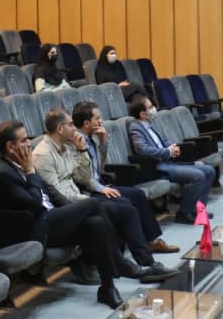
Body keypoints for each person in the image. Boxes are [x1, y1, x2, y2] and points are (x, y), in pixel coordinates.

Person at [0, 120, 142, 309]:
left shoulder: (21, 162)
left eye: (28, 139)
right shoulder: (2, 174)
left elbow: (50, 191)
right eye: (24, 140)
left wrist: (72, 210)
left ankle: (107, 288)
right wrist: (30, 172)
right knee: (93, 203)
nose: (29, 143)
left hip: (51, 219)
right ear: (10, 146)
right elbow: (35, 204)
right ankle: (121, 263)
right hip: (34, 229)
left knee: (95, 223)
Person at [32, 106, 179, 282]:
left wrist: (82, 151)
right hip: (68, 208)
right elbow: (56, 195)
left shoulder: (65, 146)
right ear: (60, 128)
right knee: (119, 208)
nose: (74, 128)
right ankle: (124, 266)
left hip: (80, 199)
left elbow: (83, 177)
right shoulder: (43, 154)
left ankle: (147, 264)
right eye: (70, 124)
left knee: (128, 210)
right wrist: (87, 200)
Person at [70, 102, 179, 254]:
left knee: (138, 194)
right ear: (87, 123)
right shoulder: (74, 143)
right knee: (126, 203)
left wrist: (103, 142)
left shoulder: (92, 138)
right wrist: (101, 188)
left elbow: (100, 167)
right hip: (88, 190)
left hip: (100, 184)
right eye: (98, 118)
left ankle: (152, 241)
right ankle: (134, 249)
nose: (101, 121)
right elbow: (81, 177)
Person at [128, 96, 216, 223]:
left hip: (168, 162)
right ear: (142, 114)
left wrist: (173, 147)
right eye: (150, 107)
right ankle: (184, 213)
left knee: (209, 170)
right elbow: (143, 150)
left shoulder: (151, 123)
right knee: (199, 176)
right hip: (157, 167)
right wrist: (167, 152)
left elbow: (164, 140)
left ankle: (198, 210)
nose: (154, 109)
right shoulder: (135, 127)